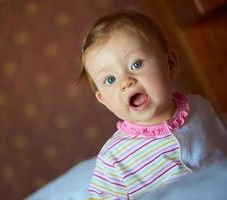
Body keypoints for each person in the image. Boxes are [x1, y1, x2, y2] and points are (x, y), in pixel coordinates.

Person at [79, 10, 227, 199]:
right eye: (110, 79)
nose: (126, 82)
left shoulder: (200, 107)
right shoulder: (115, 159)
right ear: (104, 100)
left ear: (170, 64)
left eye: (136, 65)